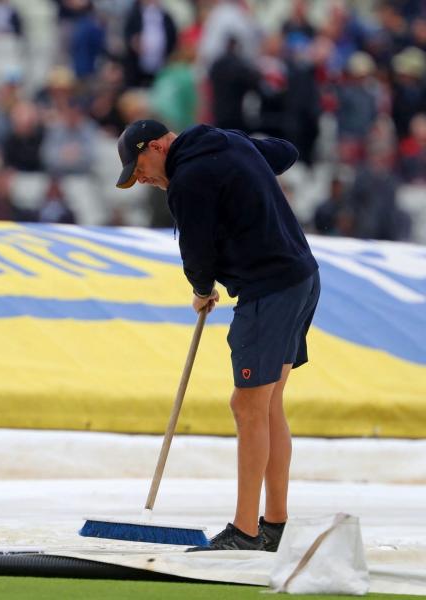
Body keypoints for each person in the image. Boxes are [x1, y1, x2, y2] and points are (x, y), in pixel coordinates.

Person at [115, 119, 320, 552]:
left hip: (269, 288)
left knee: (247, 405)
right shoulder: (227, 142)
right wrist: (245, 159)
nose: (144, 179)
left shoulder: (187, 181)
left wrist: (203, 289)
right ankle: (275, 524)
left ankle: (245, 532)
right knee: (267, 405)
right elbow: (285, 151)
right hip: (301, 277)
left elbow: (197, 250)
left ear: (156, 146)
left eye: (141, 168)